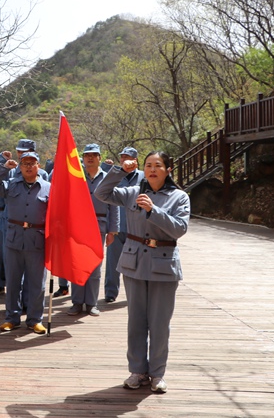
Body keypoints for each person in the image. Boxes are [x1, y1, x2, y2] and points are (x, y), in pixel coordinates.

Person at [95, 151, 189, 394]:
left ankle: (157, 374)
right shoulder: (132, 192)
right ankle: (137, 370)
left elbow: (179, 229)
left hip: (164, 264)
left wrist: (153, 211)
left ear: (168, 170)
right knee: (136, 321)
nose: (152, 169)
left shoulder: (179, 197)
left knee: (159, 323)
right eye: (148, 165)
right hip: (134, 263)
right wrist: (119, 171)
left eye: (158, 165)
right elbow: (102, 194)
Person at [0, 151, 50, 334]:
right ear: (20, 167)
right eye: (25, 163)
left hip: (37, 239)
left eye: (32, 163)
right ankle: (11, 318)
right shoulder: (11, 185)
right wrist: (3, 168)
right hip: (14, 240)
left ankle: (35, 319)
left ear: (38, 166)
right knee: (13, 282)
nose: (29, 166)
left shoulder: (49, 187)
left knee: (37, 283)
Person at [68, 143, 117, 317]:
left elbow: (114, 206)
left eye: (94, 155)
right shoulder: (76, 176)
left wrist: (113, 230)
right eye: (87, 154)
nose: (90, 157)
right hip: (78, 226)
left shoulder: (107, 178)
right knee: (77, 265)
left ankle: (92, 303)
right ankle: (76, 302)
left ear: (100, 158)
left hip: (99, 225)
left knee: (95, 267)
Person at [105, 147, 144, 303]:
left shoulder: (143, 176)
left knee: (137, 263)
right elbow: (103, 191)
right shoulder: (115, 174)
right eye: (122, 157)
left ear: (135, 161)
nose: (124, 160)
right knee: (112, 262)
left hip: (137, 228)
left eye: (128, 157)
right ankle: (110, 293)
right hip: (117, 226)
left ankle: (135, 295)